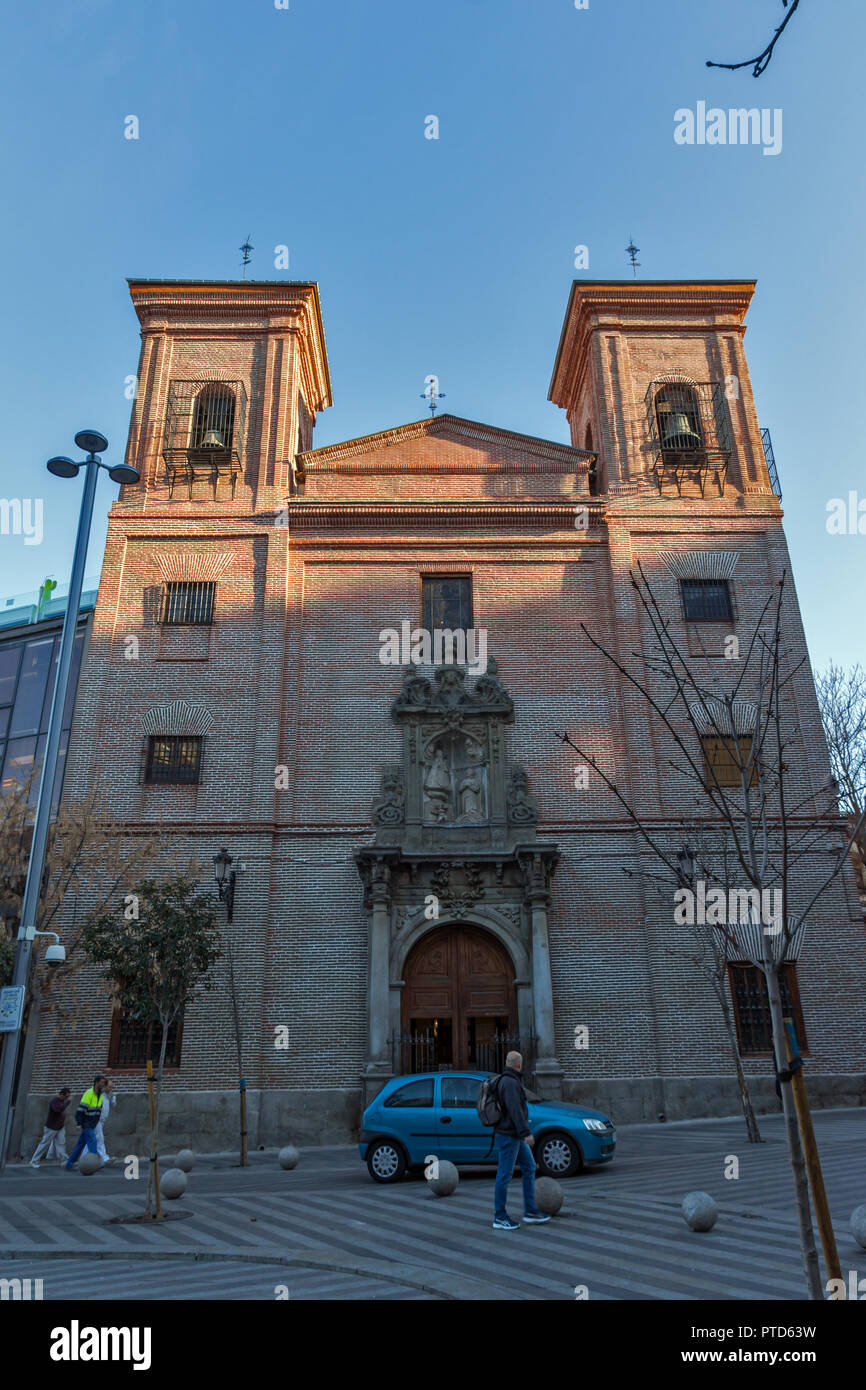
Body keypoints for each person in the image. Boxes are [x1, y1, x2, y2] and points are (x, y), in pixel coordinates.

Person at [492, 1050, 550, 1230]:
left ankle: (530, 1211)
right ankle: (500, 1216)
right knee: (504, 1175)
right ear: (519, 1064)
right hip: (510, 1135)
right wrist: (526, 1133)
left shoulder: (504, 1079)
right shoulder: (510, 1082)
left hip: (512, 1134)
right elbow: (514, 1110)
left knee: (529, 1166)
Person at [64, 1074, 106, 1170]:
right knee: (93, 1140)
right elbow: (80, 1110)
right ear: (96, 1082)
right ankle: (94, 1163)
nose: (104, 1084)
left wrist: (95, 1123)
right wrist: (79, 1123)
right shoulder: (88, 1094)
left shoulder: (100, 1095)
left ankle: (69, 1163)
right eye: (102, 1082)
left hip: (92, 1124)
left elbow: (98, 1110)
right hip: (86, 1123)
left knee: (80, 1145)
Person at [29, 1086, 71, 1167]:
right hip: (51, 1127)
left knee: (61, 1143)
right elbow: (57, 1109)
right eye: (66, 1096)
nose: (67, 1098)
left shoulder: (62, 1101)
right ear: (61, 1094)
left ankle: (64, 1160)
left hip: (60, 1127)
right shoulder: (54, 1101)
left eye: (68, 1097)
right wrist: (67, 1103)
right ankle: (34, 1161)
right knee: (44, 1144)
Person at [94, 1078, 115, 1166]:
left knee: (92, 1140)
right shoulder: (100, 1095)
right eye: (109, 1087)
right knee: (100, 1139)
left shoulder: (110, 1096)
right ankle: (105, 1159)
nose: (110, 1089)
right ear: (105, 1086)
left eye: (112, 1087)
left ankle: (83, 1158)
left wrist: (112, 1098)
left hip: (102, 1121)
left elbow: (114, 1105)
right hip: (96, 1120)